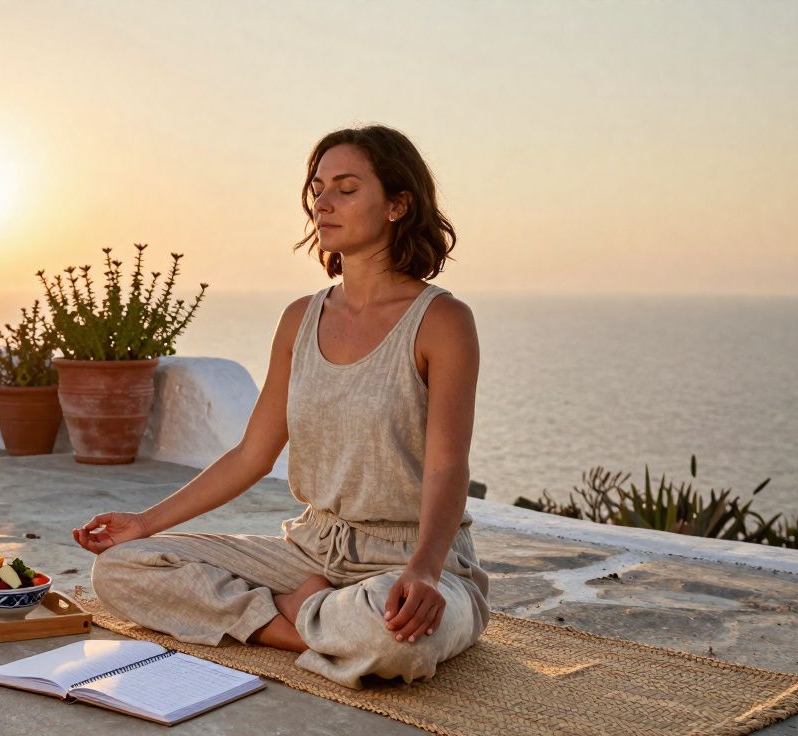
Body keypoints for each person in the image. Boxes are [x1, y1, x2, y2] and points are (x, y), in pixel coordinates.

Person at [72, 125, 489, 689]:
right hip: (312, 549)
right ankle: (306, 624)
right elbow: (251, 455)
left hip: (412, 558)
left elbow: (446, 466)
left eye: (345, 188)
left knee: (401, 639)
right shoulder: (300, 319)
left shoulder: (442, 321)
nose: (322, 202)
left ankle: (298, 613)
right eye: (318, 188)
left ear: (397, 204)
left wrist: (424, 569)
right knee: (121, 569)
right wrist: (144, 523)